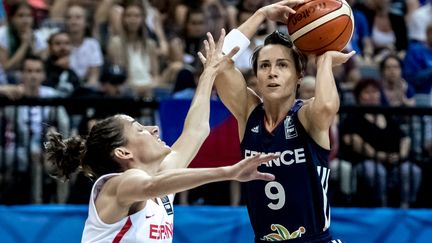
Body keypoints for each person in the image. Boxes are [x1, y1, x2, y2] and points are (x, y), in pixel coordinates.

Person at [43, 29, 277, 242]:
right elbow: (151, 185)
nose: (153, 129)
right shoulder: (118, 184)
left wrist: (209, 74)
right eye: (139, 128)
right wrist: (229, 172)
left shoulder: (162, 180)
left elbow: (196, 130)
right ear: (123, 152)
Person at [215, 0, 355, 241]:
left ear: (299, 75)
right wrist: (261, 14)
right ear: (256, 76)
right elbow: (217, 62)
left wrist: (323, 61)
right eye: (264, 66)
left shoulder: (306, 115)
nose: (272, 72)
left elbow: (327, 107)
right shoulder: (249, 114)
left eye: (282, 65)